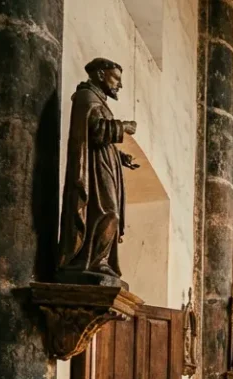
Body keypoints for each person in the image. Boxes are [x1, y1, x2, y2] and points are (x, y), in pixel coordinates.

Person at [57, 58, 140, 287]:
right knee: (107, 212)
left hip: (104, 164)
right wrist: (123, 127)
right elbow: (95, 130)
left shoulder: (99, 101)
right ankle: (92, 260)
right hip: (93, 170)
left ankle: (99, 259)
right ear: (101, 74)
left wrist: (120, 157)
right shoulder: (86, 97)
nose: (119, 85)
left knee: (110, 212)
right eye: (116, 78)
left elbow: (101, 137)